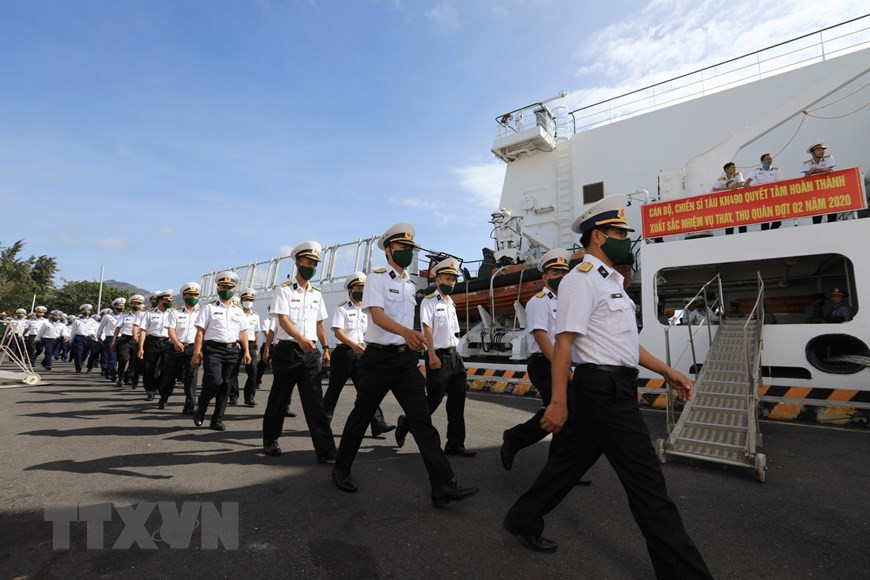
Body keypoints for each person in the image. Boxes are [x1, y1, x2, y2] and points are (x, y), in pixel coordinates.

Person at [503, 196, 712, 579]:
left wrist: (668, 371)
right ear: (598, 236)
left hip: (610, 387)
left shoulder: (611, 282)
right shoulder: (581, 279)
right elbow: (564, 342)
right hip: (603, 390)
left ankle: (523, 517)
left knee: (567, 465)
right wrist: (558, 402)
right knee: (647, 484)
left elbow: (627, 345)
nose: (625, 239)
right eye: (619, 233)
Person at [332, 223, 478, 508]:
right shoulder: (376, 279)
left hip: (405, 361)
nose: (408, 252)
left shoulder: (410, 284)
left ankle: (442, 484)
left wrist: (414, 339)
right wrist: (406, 332)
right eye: (403, 247)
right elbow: (376, 315)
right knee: (361, 416)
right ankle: (341, 468)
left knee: (422, 421)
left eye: (411, 248)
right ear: (389, 250)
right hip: (378, 360)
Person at [262, 241, 337, 463]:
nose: (311, 267)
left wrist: (325, 348)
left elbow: (320, 323)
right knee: (279, 398)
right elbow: (283, 319)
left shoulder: (316, 293)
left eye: (315, 264)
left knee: (316, 403)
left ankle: (326, 451)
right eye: (308, 263)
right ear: (298, 263)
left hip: (311, 352)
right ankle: (270, 440)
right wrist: (300, 338)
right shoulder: (284, 289)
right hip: (288, 351)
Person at [500, 249, 571, 471]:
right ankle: (515, 438)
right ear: (545, 277)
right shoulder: (538, 302)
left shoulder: (566, 302)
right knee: (559, 411)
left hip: (560, 362)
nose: (561, 277)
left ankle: (559, 465)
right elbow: (541, 336)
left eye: (564, 273)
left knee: (565, 412)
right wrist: (562, 367)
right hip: (545, 363)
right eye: (555, 273)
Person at [413, 257, 476, 457]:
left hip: (454, 356)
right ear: (438, 279)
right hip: (438, 356)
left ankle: (455, 444)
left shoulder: (450, 303)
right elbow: (427, 328)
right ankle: (407, 423)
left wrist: (457, 356)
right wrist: (431, 354)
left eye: (454, 279)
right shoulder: (429, 301)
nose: (451, 282)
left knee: (457, 402)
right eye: (448, 278)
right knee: (433, 400)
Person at [322, 271, 395, 437]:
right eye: (358, 287)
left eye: (363, 287)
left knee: (367, 389)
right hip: (345, 352)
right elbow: (338, 331)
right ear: (350, 289)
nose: (361, 290)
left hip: (362, 353)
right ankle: (323, 423)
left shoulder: (368, 310)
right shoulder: (342, 308)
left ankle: (378, 423)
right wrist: (353, 344)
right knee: (335, 389)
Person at [192, 271, 251, 430]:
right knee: (214, 381)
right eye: (223, 287)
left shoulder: (238, 310)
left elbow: (243, 332)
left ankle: (217, 419)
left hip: (232, 351)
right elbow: (200, 332)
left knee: (226, 385)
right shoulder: (209, 308)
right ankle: (201, 409)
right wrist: (197, 353)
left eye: (229, 287)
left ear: (234, 289)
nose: (226, 290)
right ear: (218, 288)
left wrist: (246, 351)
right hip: (213, 350)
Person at [164, 282, 201, 414]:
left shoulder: (202, 313)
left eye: (195, 295)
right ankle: (164, 396)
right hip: (177, 347)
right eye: (190, 294)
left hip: (193, 348)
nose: (193, 297)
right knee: (171, 375)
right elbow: (171, 329)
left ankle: (190, 405)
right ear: (184, 296)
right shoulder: (175, 312)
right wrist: (176, 342)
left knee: (191, 376)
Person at [135, 289, 174, 402]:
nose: (170, 302)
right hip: (152, 342)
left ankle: (159, 385)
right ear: (160, 301)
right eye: (167, 300)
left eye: (171, 300)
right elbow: (143, 330)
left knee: (167, 367)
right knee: (149, 368)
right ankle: (150, 391)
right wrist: (141, 347)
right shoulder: (150, 313)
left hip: (167, 343)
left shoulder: (173, 313)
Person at [233, 288, 260, 407]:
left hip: (251, 344)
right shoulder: (236, 313)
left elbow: (256, 332)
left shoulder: (256, 316)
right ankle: (233, 396)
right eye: (246, 299)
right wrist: (235, 342)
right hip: (237, 343)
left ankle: (249, 397)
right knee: (233, 371)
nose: (248, 302)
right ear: (241, 300)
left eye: (250, 300)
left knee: (253, 371)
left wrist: (255, 347)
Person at [744, 153, 785, 230]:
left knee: (777, 220)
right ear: (762, 161)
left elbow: (780, 182)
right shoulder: (756, 171)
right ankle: (766, 234)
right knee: (765, 220)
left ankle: (772, 232)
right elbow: (749, 178)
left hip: (774, 197)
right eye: (767, 159)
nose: (769, 161)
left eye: (770, 159)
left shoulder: (776, 170)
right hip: (762, 198)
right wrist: (746, 184)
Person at [111, 294, 144, 387]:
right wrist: (114, 340)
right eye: (134, 303)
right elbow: (117, 328)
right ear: (131, 304)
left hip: (137, 340)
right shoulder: (124, 316)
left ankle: (128, 377)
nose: (136, 305)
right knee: (124, 358)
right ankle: (120, 376)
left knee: (134, 360)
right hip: (125, 339)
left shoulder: (144, 316)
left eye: (138, 304)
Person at [802, 142, 837, 224]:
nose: (822, 151)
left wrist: (813, 170)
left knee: (832, 215)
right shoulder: (807, 163)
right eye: (818, 150)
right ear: (812, 153)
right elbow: (807, 174)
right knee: (817, 218)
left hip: (829, 189)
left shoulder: (829, 158)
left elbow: (828, 170)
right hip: (816, 193)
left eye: (822, 149)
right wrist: (821, 170)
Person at [97, 298, 125, 382]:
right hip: (110, 338)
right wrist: (98, 336)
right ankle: (112, 373)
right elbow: (101, 326)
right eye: (119, 305)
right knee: (112, 357)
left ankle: (115, 372)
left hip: (122, 339)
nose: (121, 307)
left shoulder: (125, 316)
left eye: (122, 306)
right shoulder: (107, 316)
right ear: (114, 306)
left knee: (121, 357)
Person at [714, 162, 746, 235]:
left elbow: (741, 183)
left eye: (735, 167)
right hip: (727, 203)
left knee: (741, 220)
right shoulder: (721, 179)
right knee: (729, 222)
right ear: (726, 170)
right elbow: (715, 189)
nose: (734, 169)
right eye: (732, 167)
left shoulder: (737, 175)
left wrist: (733, 188)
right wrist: (727, 189)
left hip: (738, 201)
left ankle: (743, 236)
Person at [69, 304, 97, 373]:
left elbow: (95, 329)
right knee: (78, 353)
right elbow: (73, 330)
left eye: (88, 310)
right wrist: (71, 340)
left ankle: (82, 361)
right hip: (79, 338)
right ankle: (78, 368)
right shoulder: (77, 320)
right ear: (81, 311)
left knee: (85, 354)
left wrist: (94, 336)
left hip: (89, 338)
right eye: (84, 310)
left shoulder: (92, 321)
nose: (86, 311)